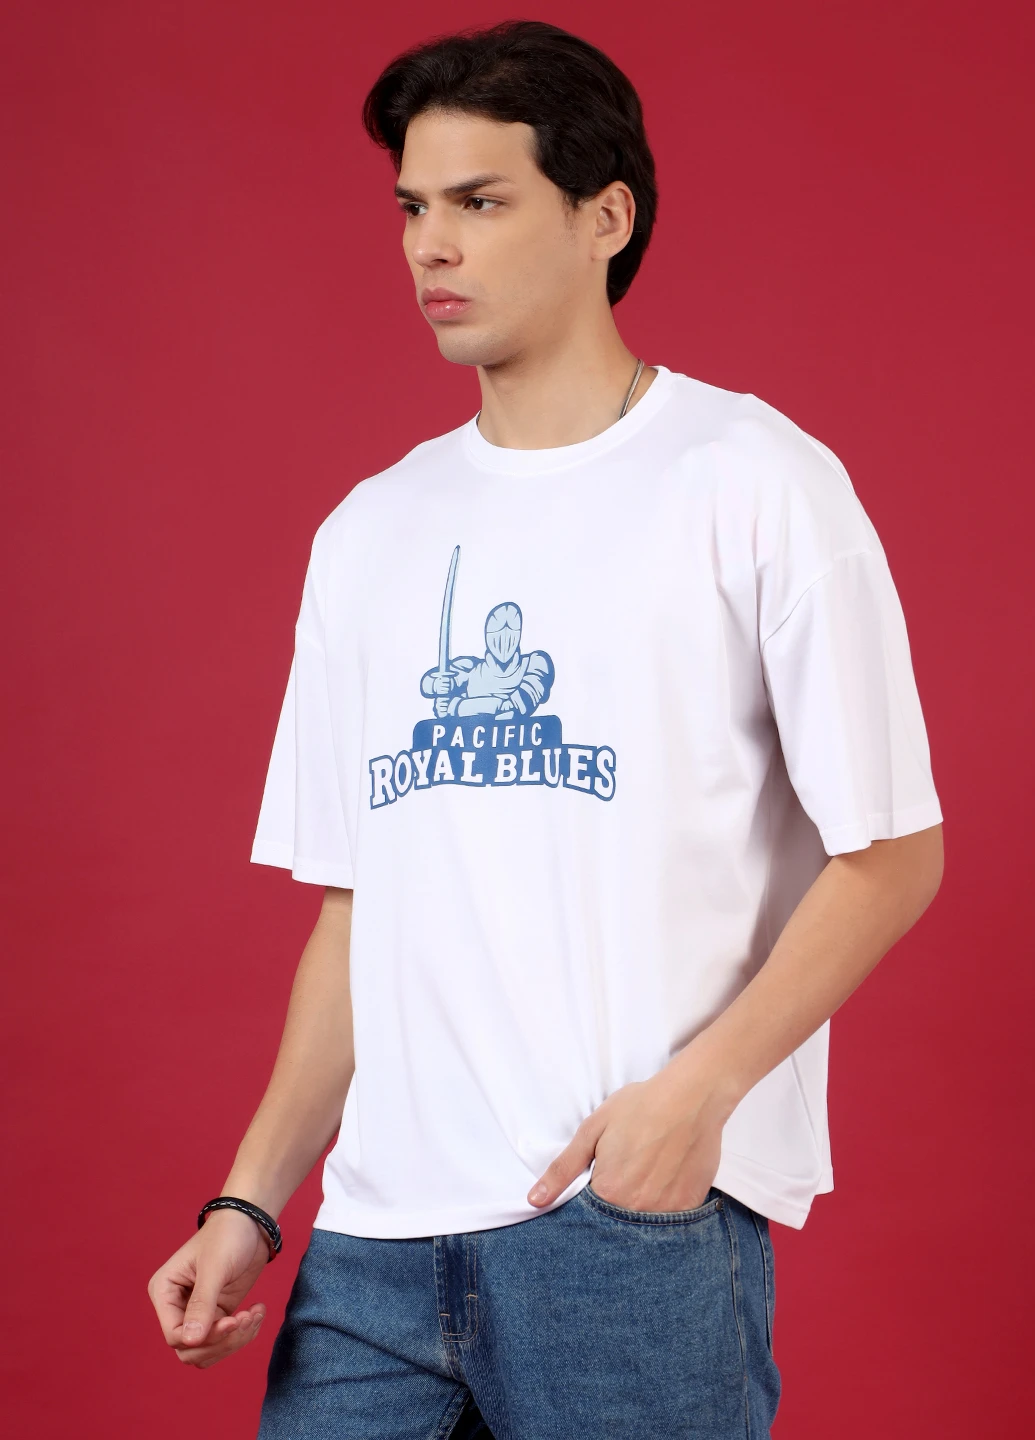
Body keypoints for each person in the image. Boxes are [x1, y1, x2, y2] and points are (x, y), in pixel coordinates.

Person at [148, 20, 944, 1438]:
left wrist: (694, 1100)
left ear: (604, 217)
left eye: (480, 200)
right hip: (374, 1250)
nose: (430, 247)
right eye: (412, 207)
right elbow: (359, 912)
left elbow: (893, 853)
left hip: (621, 1224)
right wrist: (251, 1202)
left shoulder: (752, 482)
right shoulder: (370, 532)